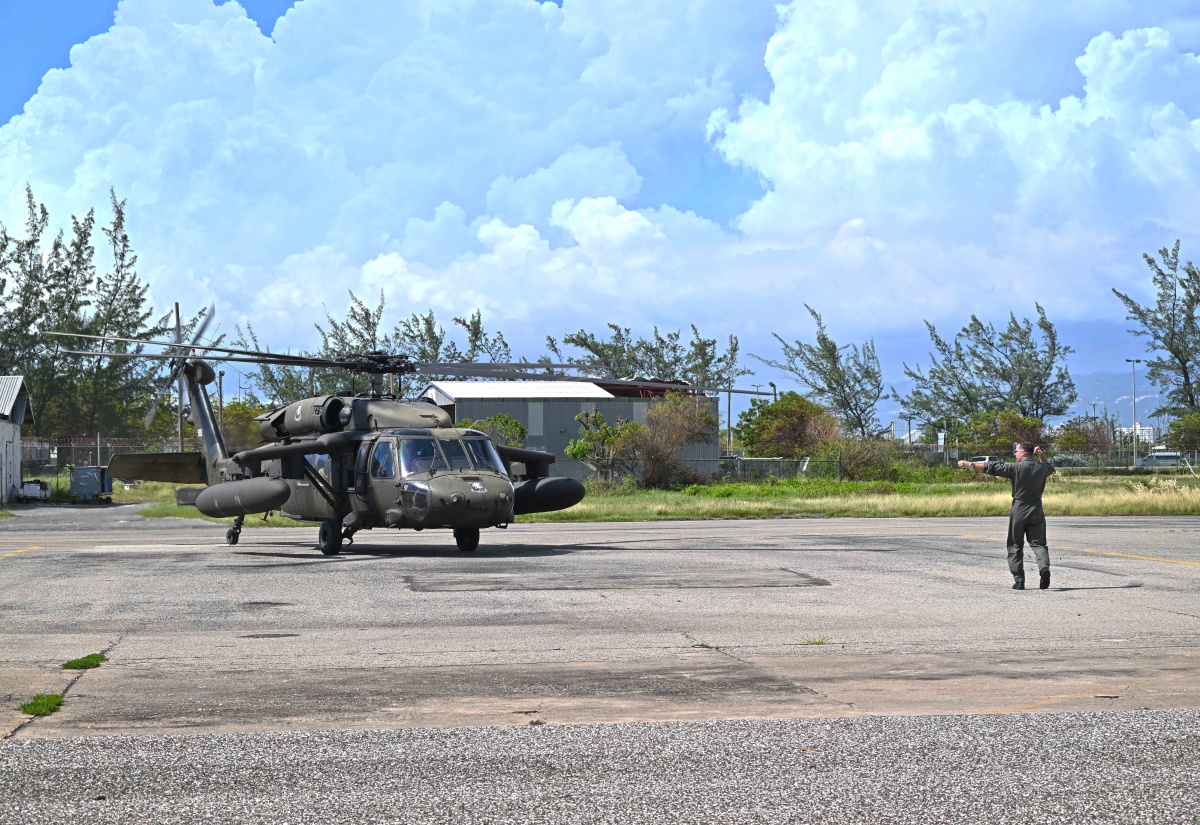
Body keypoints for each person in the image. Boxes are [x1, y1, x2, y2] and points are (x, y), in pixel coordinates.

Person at [958, 443, 1055, 590]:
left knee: (1015, 544)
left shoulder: (1015, 468)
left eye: (1016, 451)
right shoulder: (1041, 468)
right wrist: (1040, 454)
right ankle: (1044, 569)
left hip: (1019, 508)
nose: (1015, 454)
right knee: (1039, 543)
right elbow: (1050, 468)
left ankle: (1019, 580)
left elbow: (992, 467)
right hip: (1037, 508)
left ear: (1023, 453)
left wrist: (969, 464)